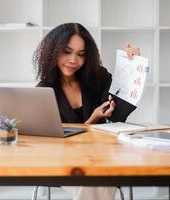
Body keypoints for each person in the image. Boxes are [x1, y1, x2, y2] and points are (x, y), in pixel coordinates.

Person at [33, 23, 140, 200]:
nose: (73, 60)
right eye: (67, 52)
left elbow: (120, 108)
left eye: (81, 54)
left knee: (95, 175)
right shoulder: (44, 91)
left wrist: (133, 66)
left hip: (102, 156)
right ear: (53, 51)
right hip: (63, 162)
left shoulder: (98, 77)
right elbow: (54, 143)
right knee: (90, 178)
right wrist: (92, 119)